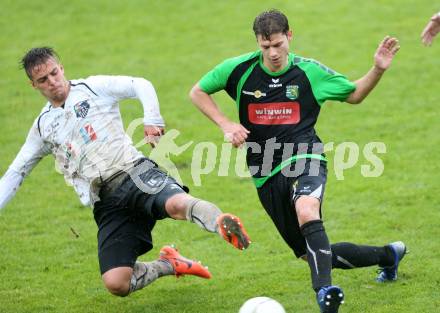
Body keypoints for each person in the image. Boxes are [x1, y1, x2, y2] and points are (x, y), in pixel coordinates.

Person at [190, 9, 406, 313]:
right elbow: (197, 92)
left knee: (307, 207)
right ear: (258, 43)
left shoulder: (309, 72)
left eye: (278, 44)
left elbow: (355, 94)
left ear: (289, 36)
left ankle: (325, 292)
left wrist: (378, 69)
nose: (273, 53)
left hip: (305, 154)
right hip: (264, 170)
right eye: (266, 47)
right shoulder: (238, 69)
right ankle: (388, 255)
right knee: (313, 254)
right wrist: (226, 124)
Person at [0, 47, 251, 297]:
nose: (52, 82)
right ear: (34, 85)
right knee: (117, 283)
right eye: (43, 80)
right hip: (106, 201)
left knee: (176, 205)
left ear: (61, 68)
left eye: (54, 73)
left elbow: (140, 85)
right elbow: (16, 171)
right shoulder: (43, 127)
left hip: (134, 172)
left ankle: (220, 224)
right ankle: (169, 263)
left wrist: (152, 118)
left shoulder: (93, 87)